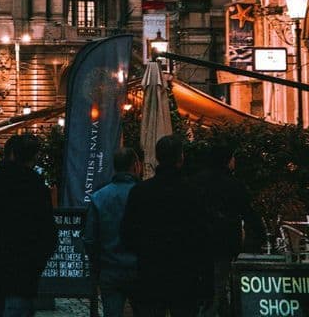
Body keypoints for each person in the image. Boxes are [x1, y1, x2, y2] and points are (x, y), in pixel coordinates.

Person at [0, 133, 57, 317]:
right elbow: (48, 231)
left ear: (9, 154)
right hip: (26, 269)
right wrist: (38, 260)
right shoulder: (36, 185)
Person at [121, 135, 209, 317]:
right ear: (181, 158)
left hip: (151, 272)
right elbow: (203, 237)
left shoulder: (140, 192)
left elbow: (127, 234)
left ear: (158, 157)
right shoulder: (193, 192)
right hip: (185, 275)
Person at [194, 144, 265, 317]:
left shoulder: (196, 181)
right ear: (226, 161)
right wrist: (261, 235)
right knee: (219, 285)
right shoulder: (233, 184)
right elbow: (248, 212)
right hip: (224, 244)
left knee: (211, 286)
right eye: (233, 158)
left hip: (199, 243)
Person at [83, 147, 141, 317]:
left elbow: (90, 238)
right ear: (136, 166)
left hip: (110, 267)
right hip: (139, 267)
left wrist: (97, 263)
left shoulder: (100, 196)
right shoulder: (144, 194)